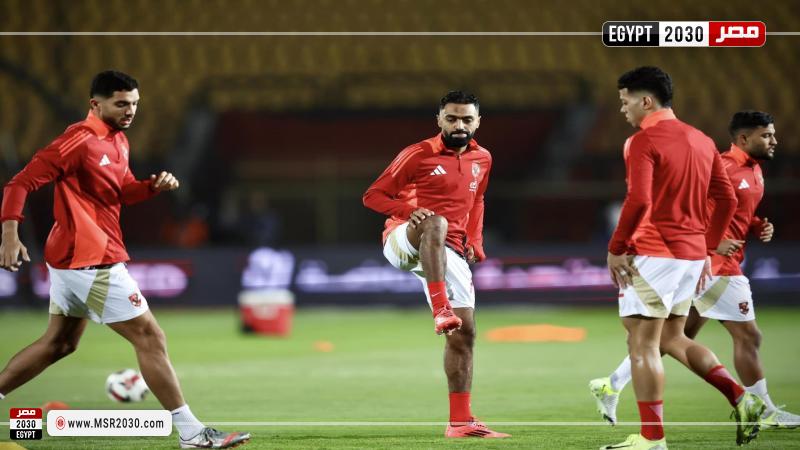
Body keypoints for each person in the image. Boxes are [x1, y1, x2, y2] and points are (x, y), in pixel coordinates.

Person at [0, 71, 250, 449]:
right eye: (121, 104)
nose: (130, 110)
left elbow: (120, 192)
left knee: (59, 344)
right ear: (95, 104)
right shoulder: (77, 141)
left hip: (73, 261)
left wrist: (150, 187)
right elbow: (19, 183)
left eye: (134, 103)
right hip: (91, 260)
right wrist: (9, 235)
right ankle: (192, 433)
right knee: (150, 337)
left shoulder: (118, 139)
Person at [591, 110, 800, 431]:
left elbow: (735, 210)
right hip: (713, 264)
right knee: (747, 335)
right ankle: (763, 409)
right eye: (766, 135)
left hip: (711, 260)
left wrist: (756, 224)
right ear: (744, 138)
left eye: (773, 134)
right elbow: (688, 206)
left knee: (673, 338)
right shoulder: (725, 166)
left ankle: (611, 385)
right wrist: (711, 243)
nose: (774, 141)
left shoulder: (755, 170)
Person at [599, 67, 764, 450]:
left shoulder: (642, 141)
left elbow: (639, 199)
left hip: (654, 252)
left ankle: (652, 439)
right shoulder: (702, 140)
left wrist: (617, 247)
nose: (623, 109)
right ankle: (743, 399)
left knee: (641, 344)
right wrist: (708, 248)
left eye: (625, 102)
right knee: (673, 338)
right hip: (691, 256)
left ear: (645, 101)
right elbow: (726, 199)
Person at [363, 90, 509, 439]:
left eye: (467, 119)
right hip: (404, 238)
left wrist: (475, 240)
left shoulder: (483, 158)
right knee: (436, 222)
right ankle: (440, 308)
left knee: (466, 333)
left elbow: (478, 200)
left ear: (478, 122)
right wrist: (408, 211)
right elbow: (373, 196)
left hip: (448, 249)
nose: (459, 125)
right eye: (452, 118)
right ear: (439, 119)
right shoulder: (418, 154)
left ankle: (460, 423)